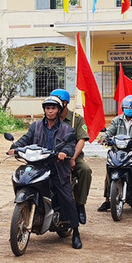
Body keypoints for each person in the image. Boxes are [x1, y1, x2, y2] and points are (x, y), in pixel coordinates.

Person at [8, 95, 82, 249]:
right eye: (47, 108)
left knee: (67, 198)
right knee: (22, 179)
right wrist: (14, 147)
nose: (50, 111)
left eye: (53, 108)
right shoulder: (35, 126)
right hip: (37, 165)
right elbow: (26, 139)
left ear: (58, 110)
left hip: (57, 168)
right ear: (44, 110)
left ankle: (75, 231)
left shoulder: (66, 129)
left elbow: (70, 145)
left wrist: (65, 153)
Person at [50, 88, 92, 225]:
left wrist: (73, 157)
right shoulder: (49, 119)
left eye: (57, 104)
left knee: (85, 170)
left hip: (72, 155)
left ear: (65, 104)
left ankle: (80, 205)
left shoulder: (76, 119)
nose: (52, 108)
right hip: (51, 156)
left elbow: (81, 140)